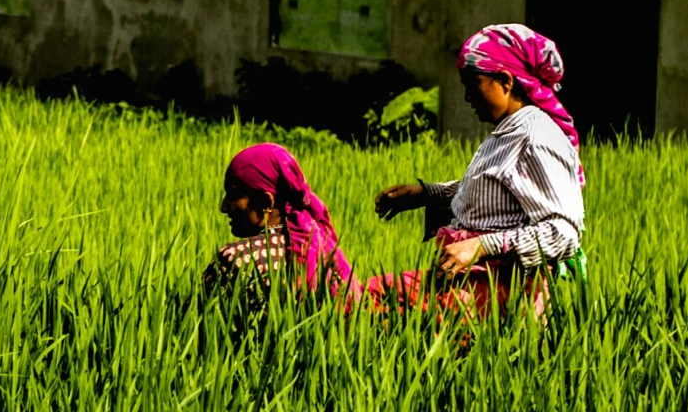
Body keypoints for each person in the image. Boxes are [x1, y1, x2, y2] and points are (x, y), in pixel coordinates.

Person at [366, 23, 586, 321]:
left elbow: (563, 233)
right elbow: (496, 194)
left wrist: (481, 246)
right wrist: (427, 194)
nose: (467, 97)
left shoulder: (537, 136)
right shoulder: (509, 131)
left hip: (499, 293)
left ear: (506, 81)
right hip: (470, 283)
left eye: (473, 84)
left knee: (372, 305)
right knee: (367, 299)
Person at [202, 142, 354, 309]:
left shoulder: (237, 258)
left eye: (233, 195)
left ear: (266, 201)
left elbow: (190, 321)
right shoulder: (323, 252)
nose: (223, 207)